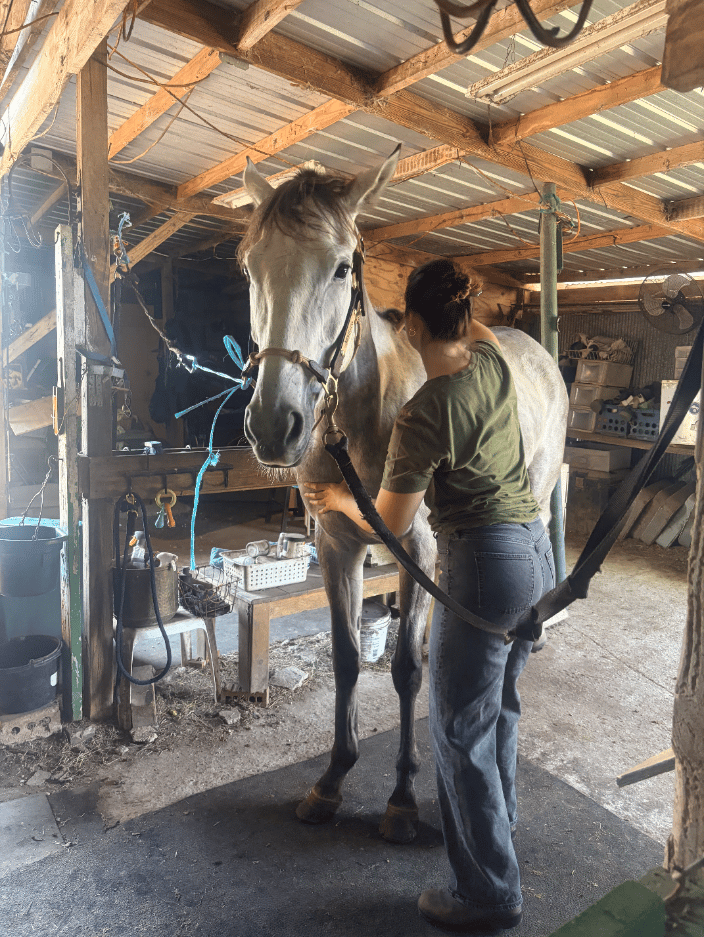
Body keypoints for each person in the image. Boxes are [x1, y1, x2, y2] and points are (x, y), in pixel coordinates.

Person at [304, 258, 555, 934]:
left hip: (480, 565)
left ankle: (487, 893)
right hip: (536, 551)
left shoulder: (424, 413)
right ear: (468, 318)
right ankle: (498, 825)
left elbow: (387, 521)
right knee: (498, 707)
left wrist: (331, 494)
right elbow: (477, 329)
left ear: (410, 325)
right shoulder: (495, 358)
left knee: (456, 730)